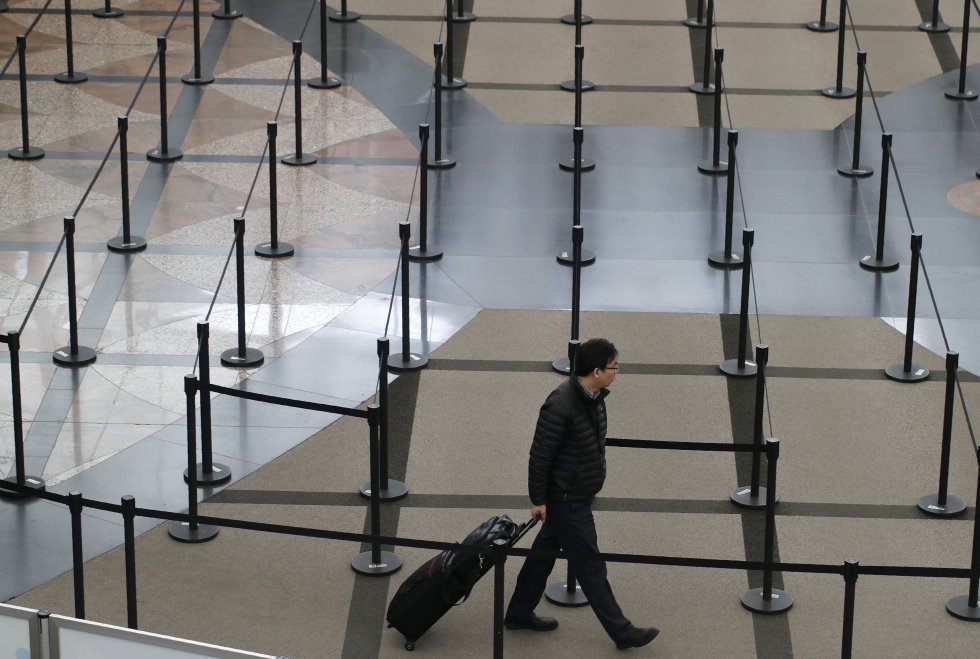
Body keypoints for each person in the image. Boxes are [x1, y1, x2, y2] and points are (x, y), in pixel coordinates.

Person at [504, 338, 659, 651]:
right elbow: (540, 456)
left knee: (542, 557)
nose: (617, 373)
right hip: (567, 499)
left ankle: (519, 612)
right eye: (614, 367)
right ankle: (622, 632)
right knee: (590, 566)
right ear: (597, 371)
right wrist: (538, 500)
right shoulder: (561, 404)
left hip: (576, 492)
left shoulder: (594, 396)